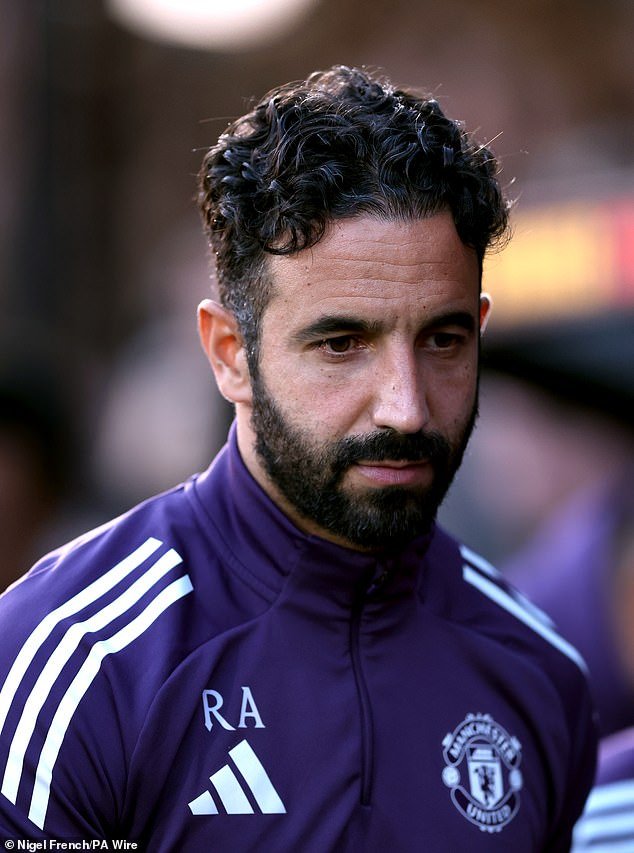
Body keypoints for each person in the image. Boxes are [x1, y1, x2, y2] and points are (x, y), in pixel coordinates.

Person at [0, 65, 596, 850]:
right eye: (342, 343)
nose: (407, 406)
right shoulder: (78, 661)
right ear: (229, 353)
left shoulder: (537, 672)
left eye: (443, 340)